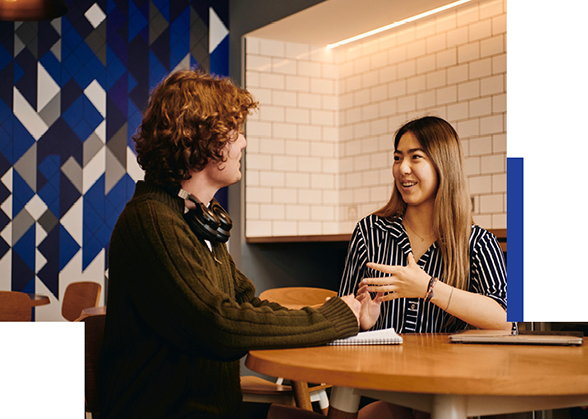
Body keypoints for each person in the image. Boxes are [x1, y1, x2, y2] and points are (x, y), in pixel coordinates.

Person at [98, 69, 365, 419]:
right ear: (202, 140)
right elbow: (218, 326)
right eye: (234, 133)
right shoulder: (152, 220)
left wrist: (344, 313)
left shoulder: (196, 217)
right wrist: (334, 317)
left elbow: (246, 305)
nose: (243, 143)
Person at [338, 115, 510, 417]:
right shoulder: (370, 231)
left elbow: (507, 322)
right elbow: (343, 314)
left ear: (444, 165)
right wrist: (360, 321)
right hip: (380, 386)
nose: (402, 168)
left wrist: (428, 288)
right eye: (397, 158)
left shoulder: (477, 243)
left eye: (415, 157)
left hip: (450, 395)